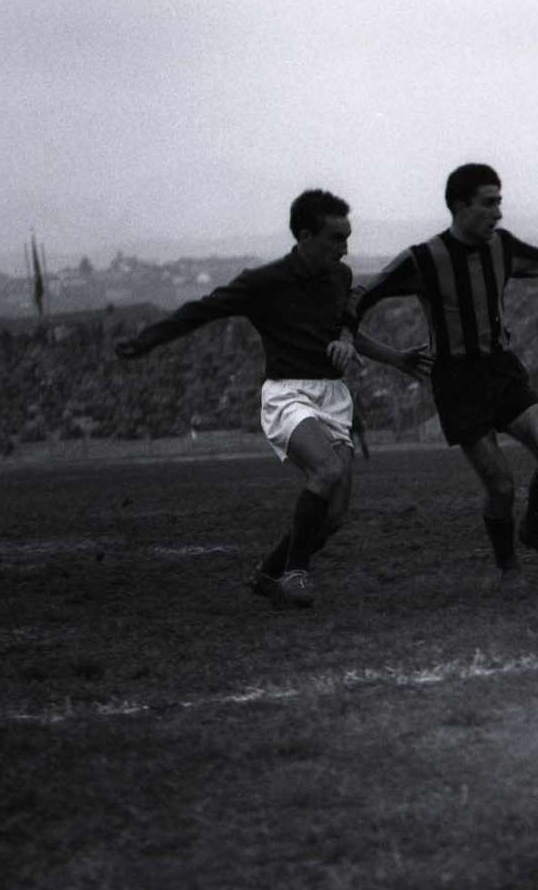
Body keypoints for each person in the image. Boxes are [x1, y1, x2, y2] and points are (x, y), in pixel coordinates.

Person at [115, 189, 420, 608]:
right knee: (327, 469)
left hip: (333, 397)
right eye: (336, 238)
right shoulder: (261, 283)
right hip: (287, 394)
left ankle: (268, 573)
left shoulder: (340, 277)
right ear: (305, 236)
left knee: (333, 516)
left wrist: (396, 357)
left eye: (348, 238)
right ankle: (296, 573)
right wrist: (147, 340)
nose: (345, 248)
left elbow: (345, 331)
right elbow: (201, 310)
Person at [346, 163, 538, 573]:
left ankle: (534, 531)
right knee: (502, 487)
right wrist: (367, 345)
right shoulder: (423, 259)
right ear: (460, 207)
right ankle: (508, 569)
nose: (498, 213)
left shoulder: (501, 247)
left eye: (499, 202)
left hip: (501, 370)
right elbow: (360, 297)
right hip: (457, 382)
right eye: (489, 203)